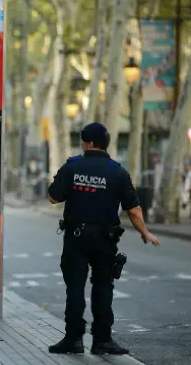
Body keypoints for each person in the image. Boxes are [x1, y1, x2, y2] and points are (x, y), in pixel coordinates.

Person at [46, 122, 160, 355]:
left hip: (76, 238)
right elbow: (134, 210)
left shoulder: (72, 166)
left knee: (75, 288)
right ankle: (102, 340)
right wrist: (145, 232)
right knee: (103, 287)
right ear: (105, 143)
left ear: (87, 143)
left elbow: (52, 198)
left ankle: (73, 339)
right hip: (105, 240)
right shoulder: (117, 171)